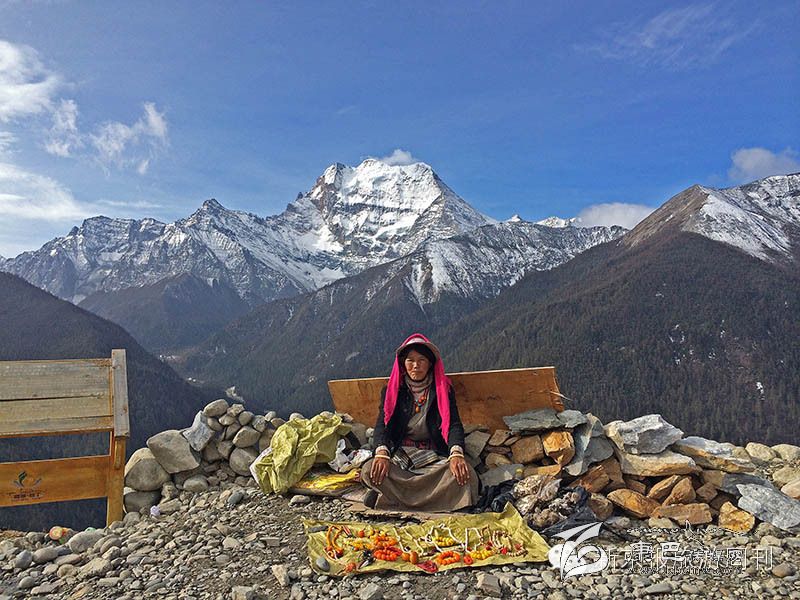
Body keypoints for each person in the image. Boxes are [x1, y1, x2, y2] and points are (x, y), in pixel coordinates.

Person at [360, 333, 480, 512]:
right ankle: (440, 502)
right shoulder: (393, 391)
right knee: (370, 470)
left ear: (430, 363)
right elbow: (383, 425)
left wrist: (456, 454)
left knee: (466, 475)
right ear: (403, 364)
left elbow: (453, 424)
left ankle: (391, 500)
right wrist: (382, 453)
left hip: (433, 453)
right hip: (403, 453)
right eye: (410, 360)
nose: (416, 365)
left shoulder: (442, 390)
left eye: (421, 360)